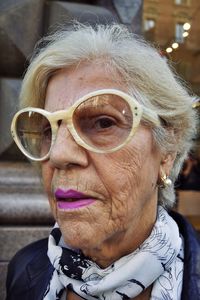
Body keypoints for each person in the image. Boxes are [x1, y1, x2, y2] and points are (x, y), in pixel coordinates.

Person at [6, 23, 200, 300]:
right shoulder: (24, 270)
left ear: (167, 151)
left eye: (103, 122)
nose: (59, 154)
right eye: (49, 130)